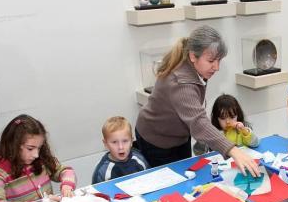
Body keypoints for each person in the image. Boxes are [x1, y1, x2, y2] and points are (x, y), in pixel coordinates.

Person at [136, 25, 260, 177]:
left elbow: (194, 113)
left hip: (179, 136)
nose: (216, 67)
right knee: (172, 181)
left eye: (219, 60)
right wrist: (233, 151)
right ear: (193, 56)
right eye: (211, 60)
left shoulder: (195, 66)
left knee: (186, 176)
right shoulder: (181, 82)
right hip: (156, 139)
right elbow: (198, 121)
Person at [0, 115, 76, 202]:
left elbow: (66, 171)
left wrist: (67, 185)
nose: (36, 155)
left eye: (39, 148)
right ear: (13, 145)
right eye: (30, 148)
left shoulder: (42, 160)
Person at [193, 94, 260, 155]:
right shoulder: (212, 132)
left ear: (238, 115)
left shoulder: (244, 127)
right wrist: (202, 140)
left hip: (241, 160)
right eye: (223, 118)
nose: (228, 122)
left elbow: (255, 144)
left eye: (232, 117)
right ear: (216, 118)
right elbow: (198, 153)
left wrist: (244, 131)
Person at [93, 116, 149, 184]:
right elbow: (96, 190)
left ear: (131, 141)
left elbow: (149, 180)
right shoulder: (102, 170)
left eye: (125, 141)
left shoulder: (139, 159)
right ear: (106, 144)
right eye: (114, 142)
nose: (121, 147)